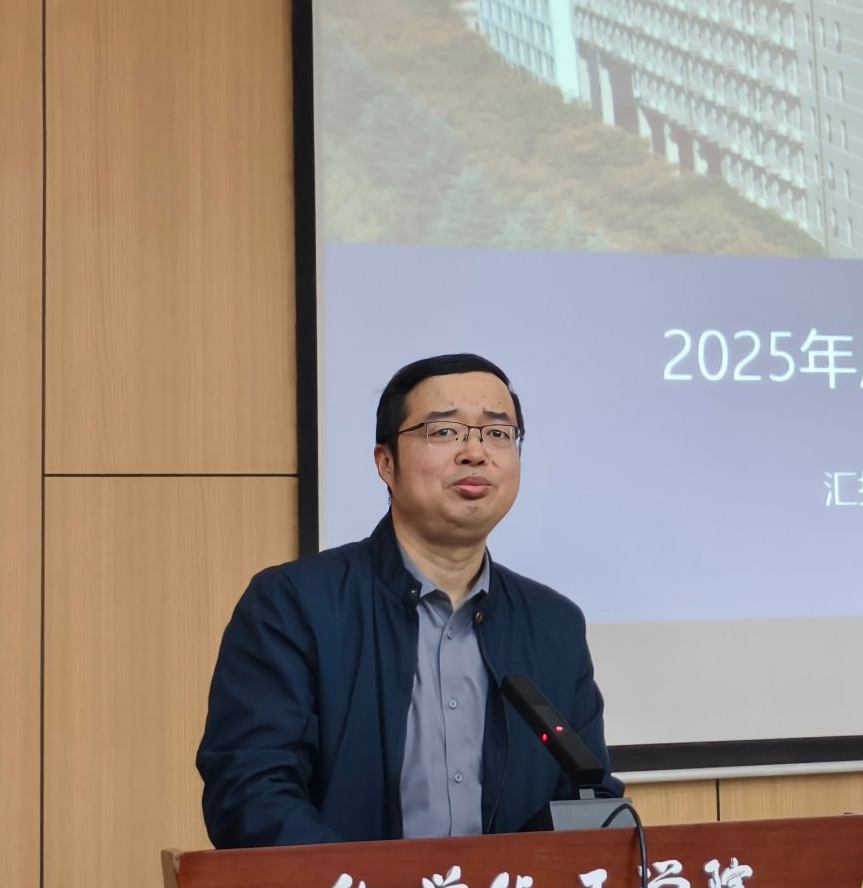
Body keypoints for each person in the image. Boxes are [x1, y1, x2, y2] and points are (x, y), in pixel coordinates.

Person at [198, 353, 618, 847]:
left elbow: (590, 801)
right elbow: (250, 795)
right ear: (386, 463)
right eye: (444, 431)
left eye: (497, 433)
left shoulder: (554, 625)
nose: (475, 452)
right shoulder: (293, 606)